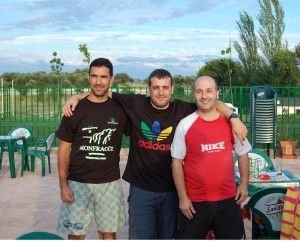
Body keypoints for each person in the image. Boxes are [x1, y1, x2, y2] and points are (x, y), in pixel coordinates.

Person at [63, 69, 248, 239]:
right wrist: (77, 97)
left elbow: (212, 101)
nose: (161, 92)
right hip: (141, 190)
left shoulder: (182, 109)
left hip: (170, 192)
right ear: (148, 88)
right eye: (156, 87)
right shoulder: (135, 103)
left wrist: (233, 118)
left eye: (165, 88)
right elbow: (101, 91)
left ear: (172, 89)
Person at [56, 58, 130, 240]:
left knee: (108, 234)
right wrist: (63, 184)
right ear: (88, 78)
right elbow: (64, 150)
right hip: (77, 183)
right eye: (94, 76)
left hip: (109, 184)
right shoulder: (74, 109)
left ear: (112, 79)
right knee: (75, 235)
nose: (98, 82)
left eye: (104, 77)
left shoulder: (121, 110)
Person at [171, 76, 251, 239]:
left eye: (209, 91)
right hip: (194, 204)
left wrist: (244, 183)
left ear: (217, 93)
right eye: (199, 91)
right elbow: (176, 162)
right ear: (194, 95)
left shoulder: (232, 124)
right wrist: (183, 198)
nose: (204, 96)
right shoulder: (185, 125)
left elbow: (243, 154)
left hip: (228, 200)